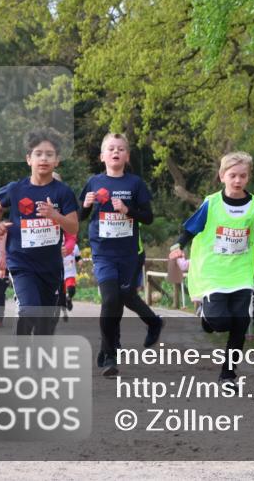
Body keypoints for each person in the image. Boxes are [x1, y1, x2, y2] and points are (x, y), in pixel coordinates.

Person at [168, 152, 254, 383]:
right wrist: (178, 245)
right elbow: (190, 228)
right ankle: (207, 317)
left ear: (248, 177)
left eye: (243, 176)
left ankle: (228, 373)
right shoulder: (212, 203)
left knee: (241, 321)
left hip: (241, 271)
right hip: (213, 272)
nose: (238, 180)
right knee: (221, 322)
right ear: (222, 176)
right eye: (232, 175)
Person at [80, 133, 163, 376]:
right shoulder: (93, 182)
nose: (115, 152)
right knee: (110, 300)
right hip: (103, 252)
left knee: (124, 297)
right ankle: (109, 353)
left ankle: (153, 321)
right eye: (111, 148)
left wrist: (128, 210)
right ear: (102, 156)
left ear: (126, 156)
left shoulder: (135, 184)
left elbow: (148, 217)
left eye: (120, 149)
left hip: (130, 253)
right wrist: (85, 205)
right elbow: (80, 216)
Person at [0, 131, 79, 336]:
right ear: (28, 159)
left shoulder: (63, 192)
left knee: (46, 325)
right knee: (31, 309)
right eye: (38, 154)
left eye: (49, 154)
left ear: (57, 161)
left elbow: (73, 227)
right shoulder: (15, 189)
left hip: (50, 266)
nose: (44, 158)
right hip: (22, 262)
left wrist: (55, 216)